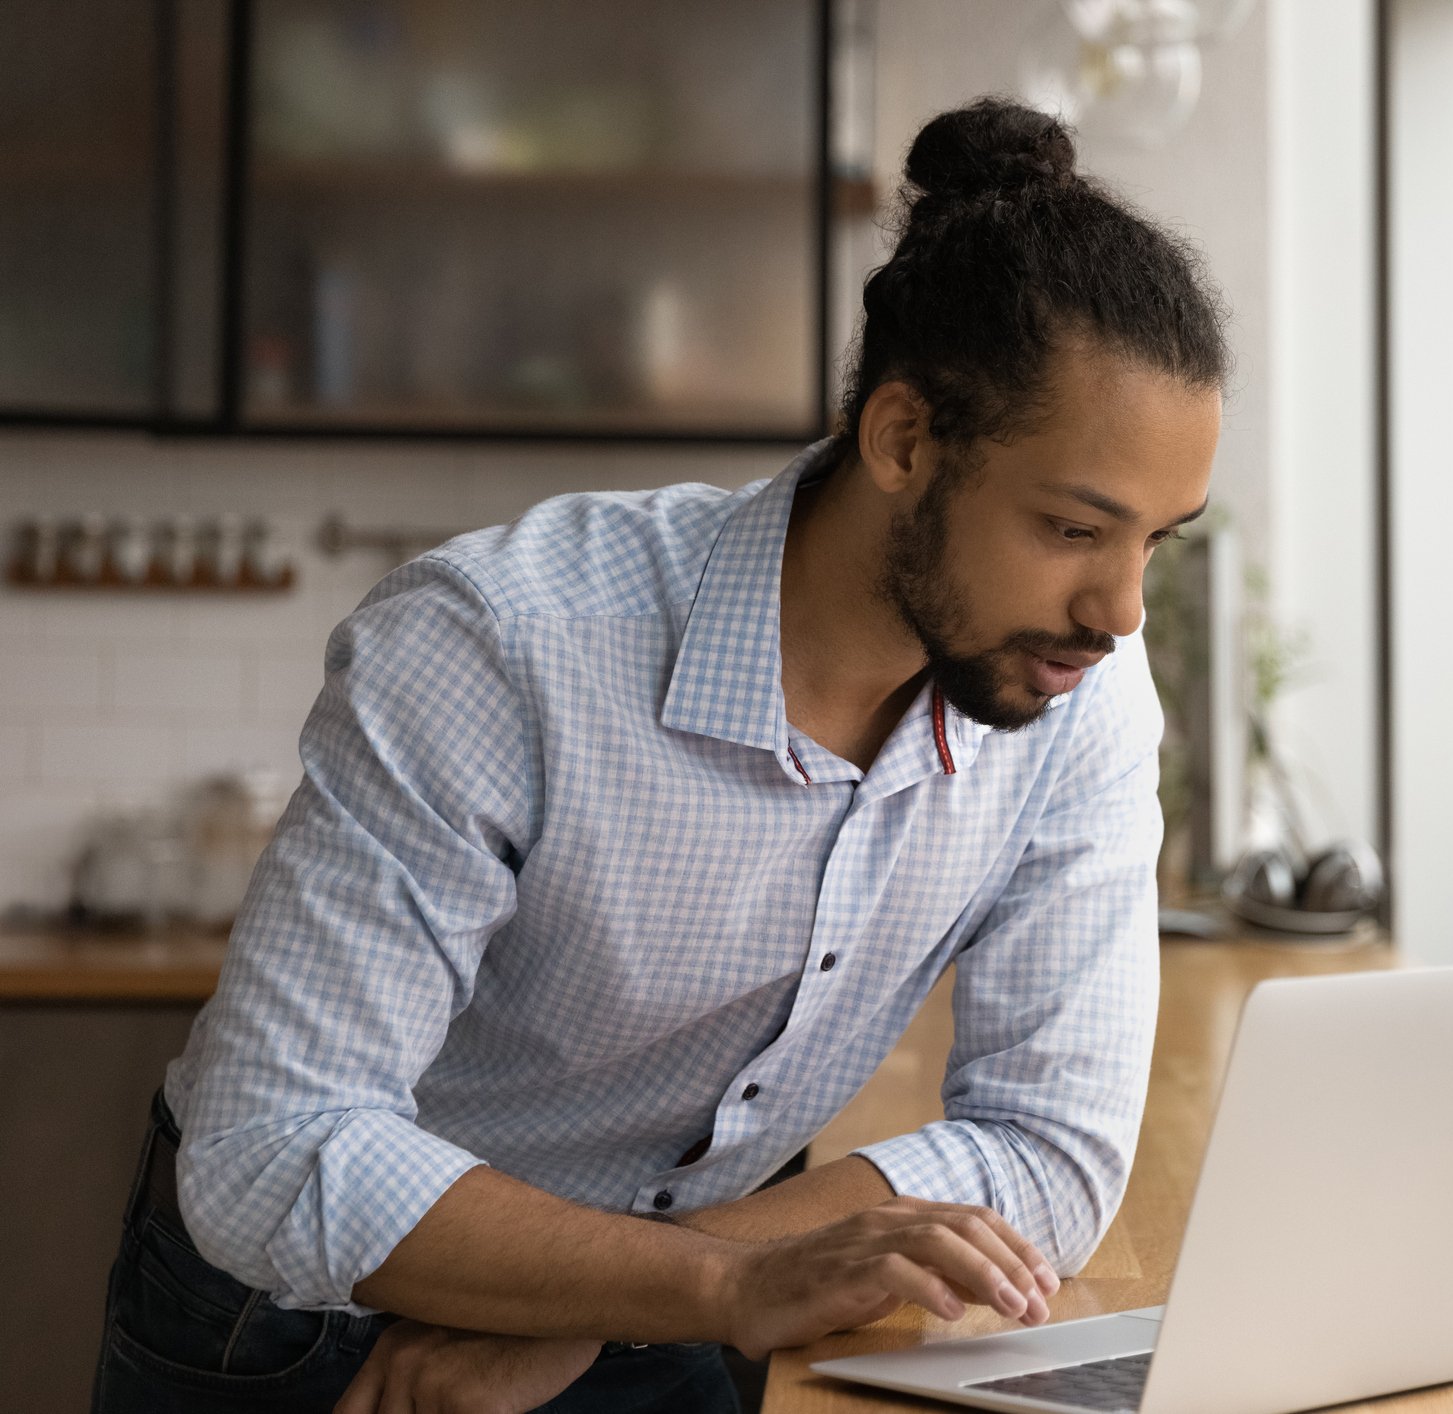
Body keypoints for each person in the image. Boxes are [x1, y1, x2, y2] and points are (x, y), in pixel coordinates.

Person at [90, 96, 1228, 1414]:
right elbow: (269, 1153)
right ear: (904, 439)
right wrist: (707, 1288)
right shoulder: (500, 648)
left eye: (1159, 540)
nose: (1121, 608)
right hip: (315, 1325)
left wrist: (641, 1294)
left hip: (682, 1299)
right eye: (1074, 528)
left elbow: (1050, 1146)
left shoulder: (1075, 686)